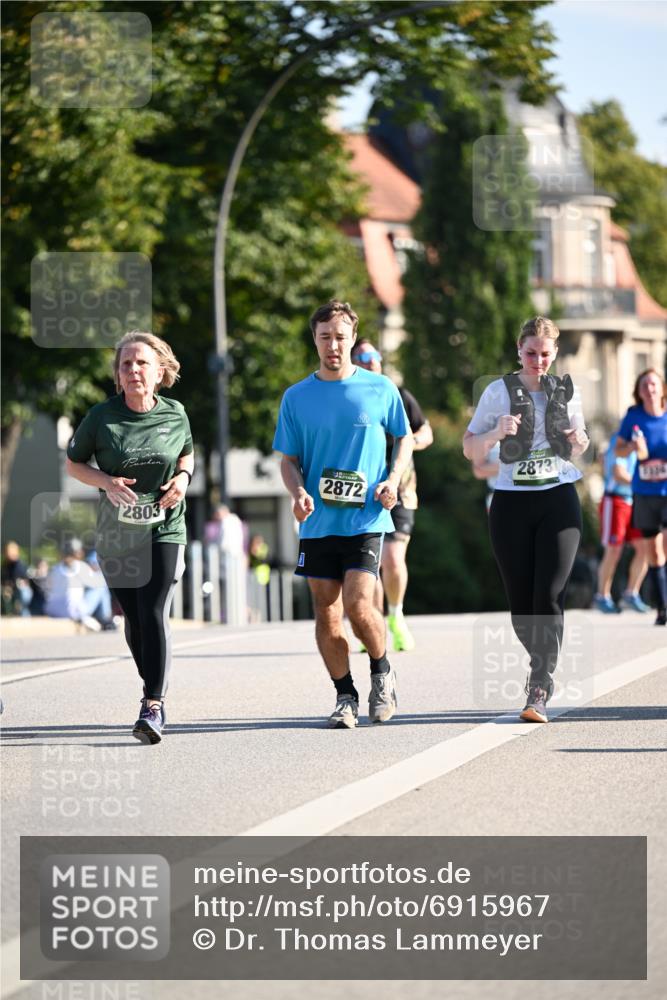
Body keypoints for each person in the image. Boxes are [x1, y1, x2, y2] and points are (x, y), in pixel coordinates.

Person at [273, 300, 413, 728]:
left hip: (366, 518)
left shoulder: (380, 388)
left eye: (340, 337)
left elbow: (403, 439)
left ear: (353, 339)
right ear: (314, 340)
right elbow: (288, 459)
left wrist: (391, 480)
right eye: (325, 337)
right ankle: (345, 695)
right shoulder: (297, 397)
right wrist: (298, 491)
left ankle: (382, 671)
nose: (333, 345)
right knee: (326, 613)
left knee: (358, 604)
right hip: (317, 523)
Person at [66, 331, 193, 743]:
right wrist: (105, 481)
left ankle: (153, 703)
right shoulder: (102, 417)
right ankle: (152, 684)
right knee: (135, 619)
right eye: (126, 364)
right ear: (118, 377)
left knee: (154, 609)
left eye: (142, 363)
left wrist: (184, 478)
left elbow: (187, 452)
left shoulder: (175, 413)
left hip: (164, 527)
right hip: (118, 533)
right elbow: (74, 465)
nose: (134, 370)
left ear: (159, 371)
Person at [463, 316, 589, 723]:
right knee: (521, 605)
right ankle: (541, 662)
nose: (539, 361)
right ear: (519, 350)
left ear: (555, 353)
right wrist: (495, 434)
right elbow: (470, 449)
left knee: (549, 595)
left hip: (559, 499)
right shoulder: (498, 393)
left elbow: (581, 440)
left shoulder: (566, 391)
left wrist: (579, 441)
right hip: (512, 503)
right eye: (531, 353)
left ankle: (539, 685)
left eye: (546, 354)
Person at [351, 338, 433, 651]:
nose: (370, 360)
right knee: (368, 562)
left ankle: (396, 616)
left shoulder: (398, 395)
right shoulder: (350, 398)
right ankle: (372, 622)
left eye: (374, 355)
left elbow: (426, 432)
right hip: (363, 492)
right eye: (363, 356)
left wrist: (408, 440)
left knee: (393, 560)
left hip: (401, 489)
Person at [615, 368, 667, 626]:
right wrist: (633, 447)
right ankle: (663, 607)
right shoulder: (633, 417)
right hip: (645, 493)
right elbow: (619, 450)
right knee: (655, 552)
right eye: (645, 384)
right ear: (639, 390)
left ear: (662, 388)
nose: (649, 388)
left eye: (653, 384)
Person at [594, 431, 649, 614]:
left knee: (645, 548)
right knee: (614, 550)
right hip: (615, 501)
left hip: (634, 501)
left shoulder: (646, 440)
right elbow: (618, 474)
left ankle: (631, 594)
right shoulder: (620, 439)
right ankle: (602, 596)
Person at [45, 539, 114, 630]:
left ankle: (102, 618)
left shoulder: (55, 569)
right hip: (72, 612)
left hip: (52, 610)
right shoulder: (79, 566)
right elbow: (100, 582)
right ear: (77, 552)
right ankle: (106, 619)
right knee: (101, 588)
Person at [1, 541, 32, 616]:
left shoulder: (20, 565)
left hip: (21, 592)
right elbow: (3, 580)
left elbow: (24, 581)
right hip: (9, 592)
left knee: (22, 594)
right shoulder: (5, 565)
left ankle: (25, 620)